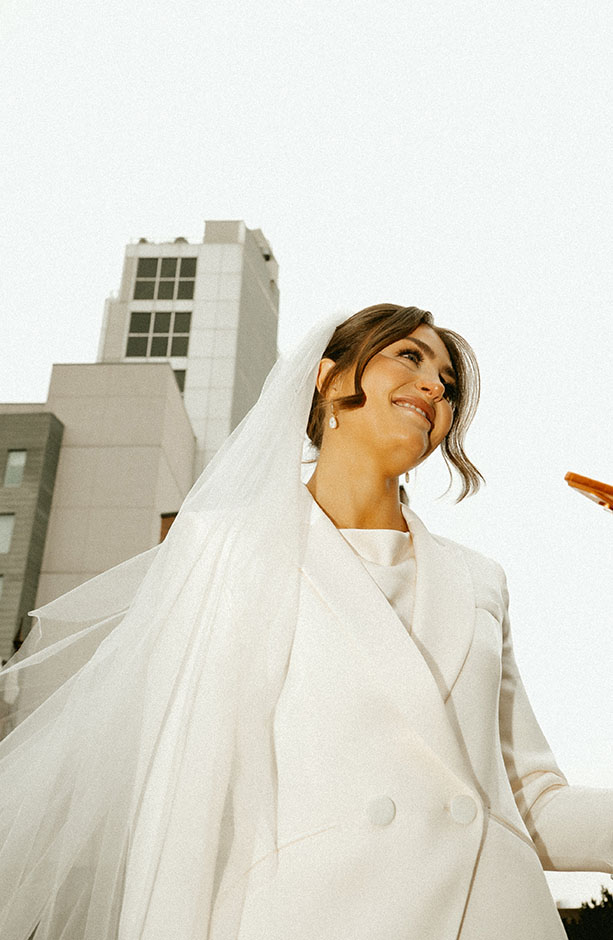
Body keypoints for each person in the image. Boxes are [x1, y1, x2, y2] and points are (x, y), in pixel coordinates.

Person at [0, 304, 611, 940]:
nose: (435, 385)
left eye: (449, 384)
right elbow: (185, 806)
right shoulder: (225, 548)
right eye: (409, 355)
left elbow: (529, 802)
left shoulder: (481, 580)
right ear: (327, 379)